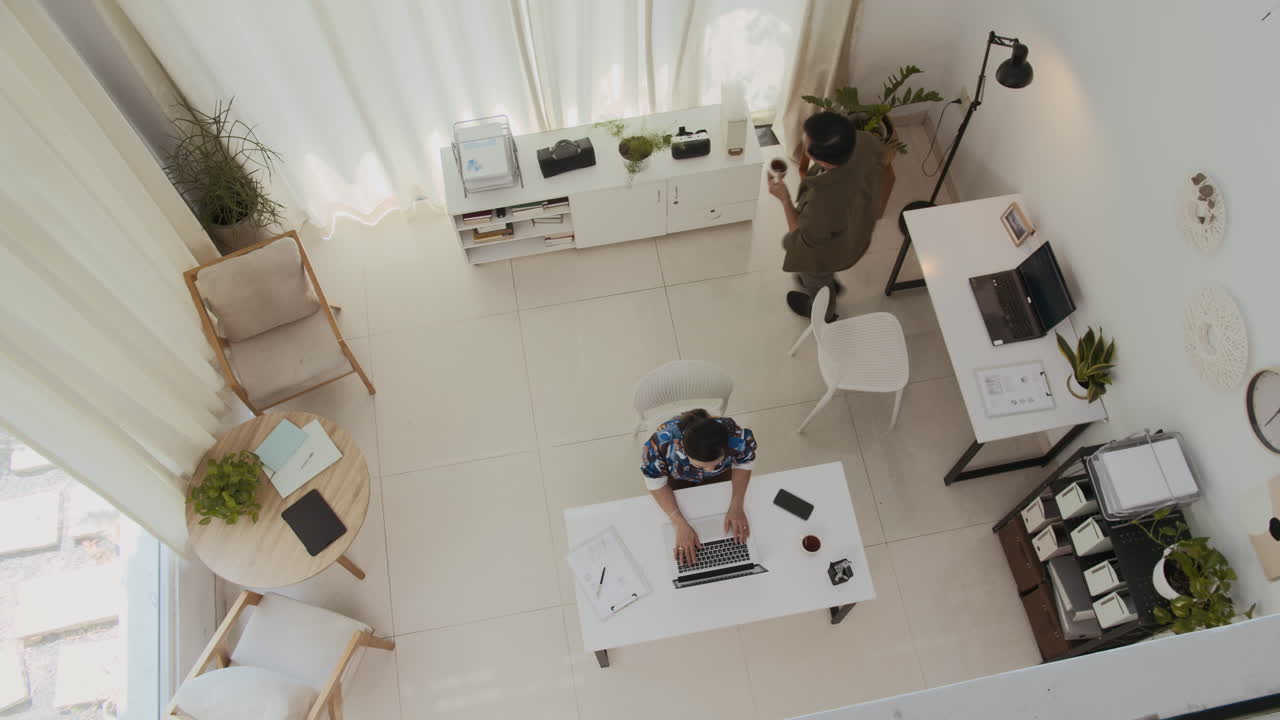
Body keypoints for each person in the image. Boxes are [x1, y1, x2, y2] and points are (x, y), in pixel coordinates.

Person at [768, 110, 889, 319]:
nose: (803, 139)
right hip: (854, 231)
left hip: (826, 251)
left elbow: (803, 239)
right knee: (816, 274)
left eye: (806, 140)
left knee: (815, 276)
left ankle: (825, 311)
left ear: (821, 160)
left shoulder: (822, 203)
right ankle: (824, 281)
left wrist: (785, 199)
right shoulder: (866, 141)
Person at [640, 409, 757, 565]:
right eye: (701, 465)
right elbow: (655, 482)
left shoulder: (735, 435)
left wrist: (737, 505)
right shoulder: (660, 446)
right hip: (678, 477)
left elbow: (744, 462)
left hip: (722, 475)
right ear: (683, 449)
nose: (709, 470)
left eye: (715, 463)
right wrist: (679, 523)